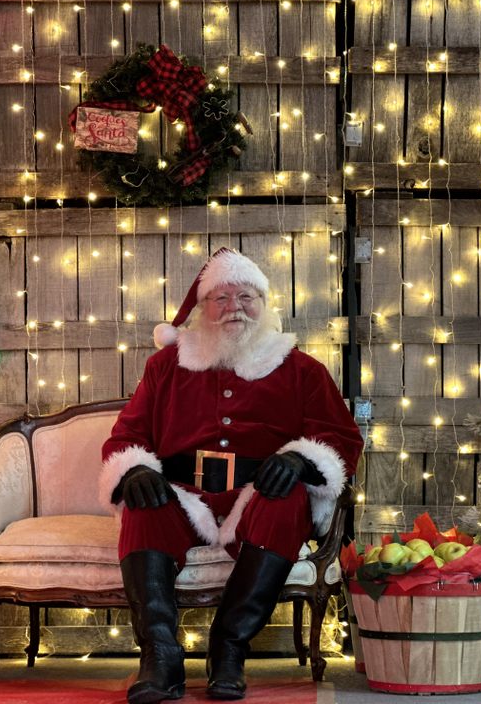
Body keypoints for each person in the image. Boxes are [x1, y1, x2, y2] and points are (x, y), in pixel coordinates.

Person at [100, 248, 363, 703]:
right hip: (184, 495)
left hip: (258, 498)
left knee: (289, 499)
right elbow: (127, 433)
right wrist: (136, 467)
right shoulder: (165, 366)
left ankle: (228, 650)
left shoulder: (302, 369)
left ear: (264, 304)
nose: (234, 307)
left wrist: (301, 459)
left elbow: (339, 437)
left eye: (246, 296)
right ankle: (160, 657)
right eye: (221, 298)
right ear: (202, 308)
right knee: (142, 505)